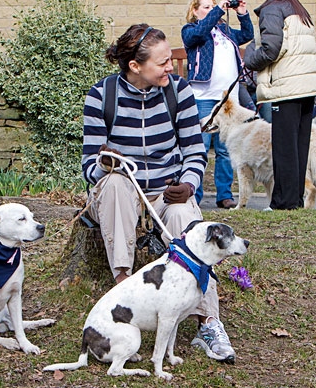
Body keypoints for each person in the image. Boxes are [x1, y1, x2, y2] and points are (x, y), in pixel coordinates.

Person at [82, 24, 237, 363]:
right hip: (120, 195)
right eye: (163, 62)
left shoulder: (178, 92)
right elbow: (88, 166)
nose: (171, 66)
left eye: (170, 59)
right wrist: (106, 165)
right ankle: (125, 287)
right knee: (115, 184)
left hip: (166, 195)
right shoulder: (102, 95)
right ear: (135, 67)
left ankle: (208, 321)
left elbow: (195, 151)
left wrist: (190, 185)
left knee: (187, 218)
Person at [243, 0, 316, 210]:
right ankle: (294, 199)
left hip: (287, 88)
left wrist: (249, 56)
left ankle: (282, 202)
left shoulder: (272, 10)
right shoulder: (300, 11)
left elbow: (271, 49)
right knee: (299, 147)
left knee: (284, 148)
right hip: (308, 88)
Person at [181, 0, 254, 209]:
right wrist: (217, 12)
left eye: (213, 7)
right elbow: (200, 33)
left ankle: (225, 194)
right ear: (195, 11)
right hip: (203, 96)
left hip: (227, 99)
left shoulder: (225, 31)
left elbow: (248, 34)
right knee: (200, 147)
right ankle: (195, 194)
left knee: (225, 148)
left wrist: (242, 14)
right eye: (206, 7)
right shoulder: (191, 30)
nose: (212, 10)